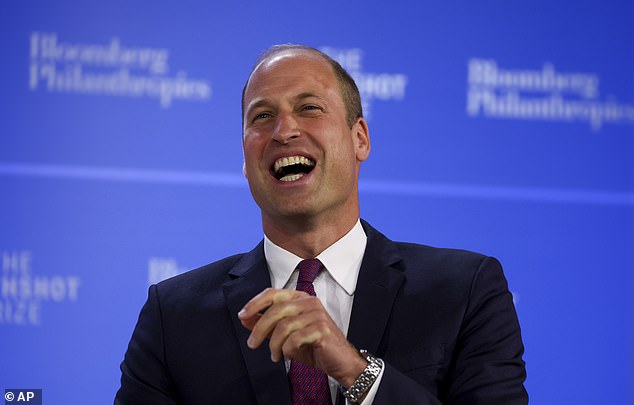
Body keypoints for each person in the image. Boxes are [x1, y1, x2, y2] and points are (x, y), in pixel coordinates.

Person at [115, 44, 528, 405]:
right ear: (244, 160)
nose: (284, 130)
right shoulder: (173, 317)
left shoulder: (466, 291)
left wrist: (356, 371)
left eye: (309, 108)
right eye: (261, 117)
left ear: (359, 139)